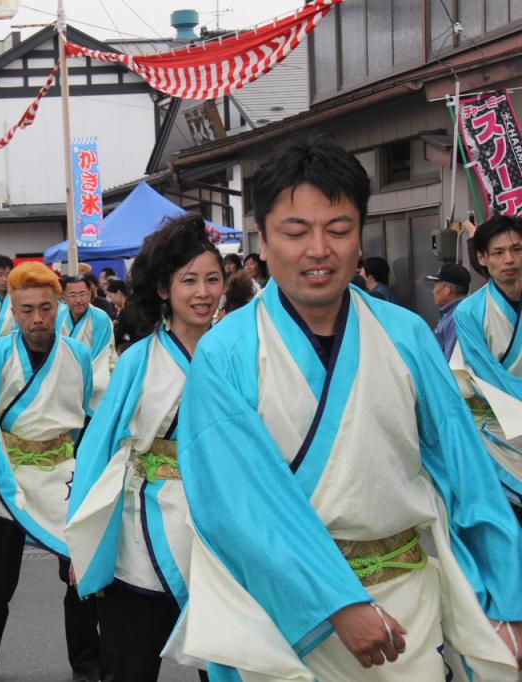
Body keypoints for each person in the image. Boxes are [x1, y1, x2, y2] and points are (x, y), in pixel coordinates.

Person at [167, 134, 522, 679]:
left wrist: (508, 598)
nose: (318, 249)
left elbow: (466, 471)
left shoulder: (406, 335)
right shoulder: (226, 353)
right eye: (296, 231)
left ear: (359, 238)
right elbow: (234, 505)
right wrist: (336, 601)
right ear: (263, 239)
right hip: (286, 617)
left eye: (338, 229)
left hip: (407, 611)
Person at [67, 214, 223, 682]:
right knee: (130, 667)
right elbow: (99, 448)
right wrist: (82, 546)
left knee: (227, 666)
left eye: (213, 279)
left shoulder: (238, 352)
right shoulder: (138, 359)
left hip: (219, 525)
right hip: (143, 532)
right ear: (163, 289)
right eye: (189, 280)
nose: (203, 293)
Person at [0, 262, 100, 682]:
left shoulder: (79, 356)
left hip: (60, 472)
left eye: (46, 308)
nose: (38, 318)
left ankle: (88, 664)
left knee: (79, 570)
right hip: (7, 472)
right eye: (27, 309)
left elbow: (88, 413)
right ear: (13, 311)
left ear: (59, 308)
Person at [450, 215, 522, 523]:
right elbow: (482, 374)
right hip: (497, 427)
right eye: (498, 252)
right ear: (481, 258)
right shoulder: (468, 312)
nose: (509, 259)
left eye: (517, 249)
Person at [58, 275, 117, 407]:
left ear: (90, 294)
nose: (78, 300)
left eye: (82, 294)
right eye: (72, 295)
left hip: (97, 376)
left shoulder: (100, 318)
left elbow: (99, 356)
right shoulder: (59, 318)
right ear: (64, 297)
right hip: (67, 378)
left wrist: (78, 382)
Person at [426, 262, 470, 360]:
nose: (433, 291)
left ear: (447, 289)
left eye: (435, 286)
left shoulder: (457, 317)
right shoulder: (457, 311)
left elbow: (451, 362)